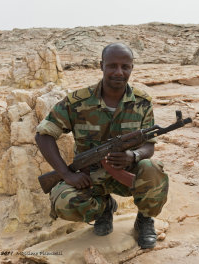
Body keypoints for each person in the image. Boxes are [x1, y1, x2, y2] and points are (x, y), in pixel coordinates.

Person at [35, 43, 168, 249]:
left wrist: (133, 155)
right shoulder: (77, 102)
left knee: (153, 169)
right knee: (63, 202)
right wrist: (66, 174)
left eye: (125, 66)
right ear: (101, 66)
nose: (119, 72)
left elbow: (148, 147)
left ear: (132, 68)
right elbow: (44, 135)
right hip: (88, 177)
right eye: (112, 65)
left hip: (125, 172)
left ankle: (144, 220)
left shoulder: (142, 103)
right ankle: (104, 208)